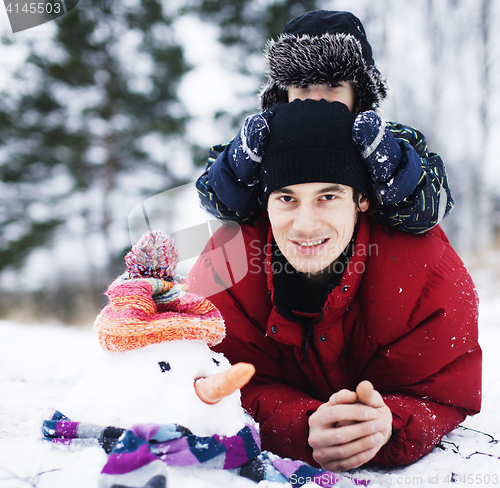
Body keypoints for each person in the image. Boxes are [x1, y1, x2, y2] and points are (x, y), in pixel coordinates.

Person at [188, 99, 481, 471]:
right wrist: (300, 423)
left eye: (328, 196)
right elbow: (213, 383)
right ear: (265, 203)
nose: (306, 224)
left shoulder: (425, 272)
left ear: (361, 199)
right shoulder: (225, 269)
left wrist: (389, 423)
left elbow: (443, 392)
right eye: (286, 199)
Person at [196, 10, 452, 233]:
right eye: (303, 85)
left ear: (359, 93)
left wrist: (393, 170)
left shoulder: (391, 141)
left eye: (332, 85)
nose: (316, 97)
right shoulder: (266, 142)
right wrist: (237, 169)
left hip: (369, 265)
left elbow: (433, 207)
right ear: (283, 93)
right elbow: (215, 199)